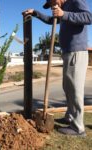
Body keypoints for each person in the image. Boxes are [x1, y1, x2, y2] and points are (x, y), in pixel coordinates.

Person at [22, 0, 92, 136]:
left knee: (75, 89)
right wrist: (35, 13)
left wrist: (64, 14)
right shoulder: (64, 7)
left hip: (76, 51)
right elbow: (50, 20)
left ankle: (78, 128)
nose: (52, 6)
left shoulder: (75, 1)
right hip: (68, 52)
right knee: (68, 87)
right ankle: (70, 117)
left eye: (52, 2)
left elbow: (88, 17)